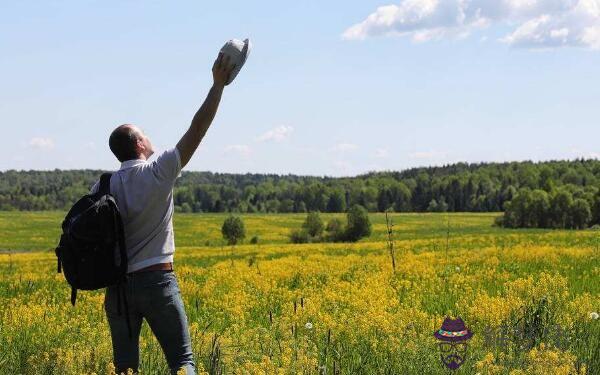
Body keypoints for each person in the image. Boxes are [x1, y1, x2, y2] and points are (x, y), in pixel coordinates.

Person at [90, 52, 237, 375]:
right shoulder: (158, 171)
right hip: (157, 281)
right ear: (140, 143)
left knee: (125, 368)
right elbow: (198, 128)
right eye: (145, 133)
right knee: (182, 362)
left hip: (117, 289)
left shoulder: (101, 186)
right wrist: (218, 86)